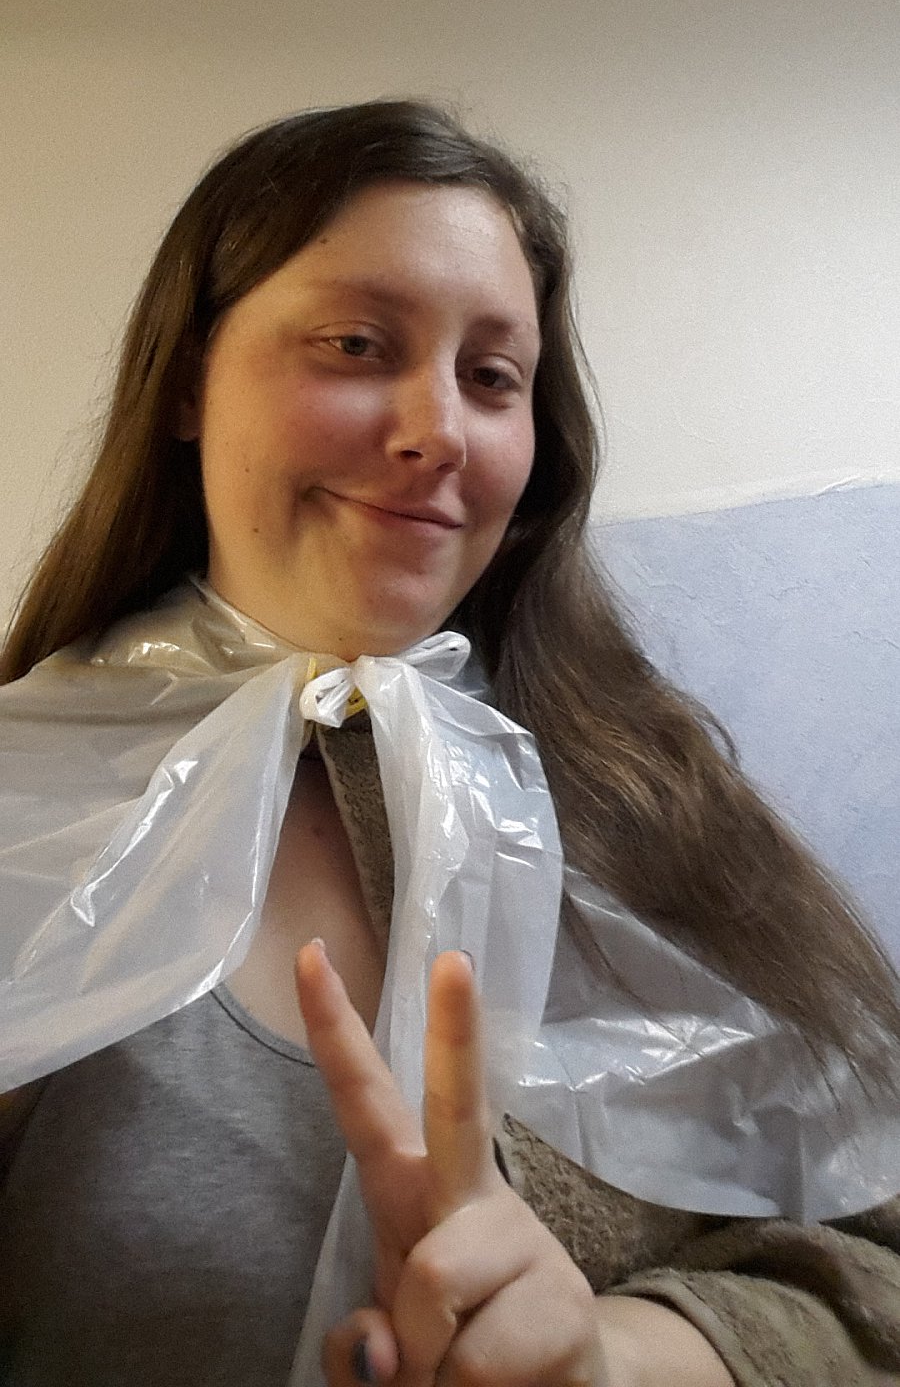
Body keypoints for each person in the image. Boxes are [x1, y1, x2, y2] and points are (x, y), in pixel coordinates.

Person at [1, 98, 899, 1387]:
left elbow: (877, 1264)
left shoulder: (656, 812)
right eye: (357, 344)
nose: (437, 433)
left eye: (492, 377)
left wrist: (613, 1357)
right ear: (190, 380)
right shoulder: (19, 808)